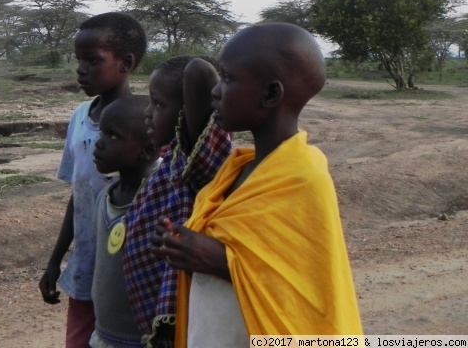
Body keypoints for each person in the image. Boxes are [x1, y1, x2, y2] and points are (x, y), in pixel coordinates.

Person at [154, 23, 363, 346]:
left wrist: (220, 261)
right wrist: (181, 246)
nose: (216, 90)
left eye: (228, 78)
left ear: (270, 94)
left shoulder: (304, 178)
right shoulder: (234, 170)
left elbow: (308, 292)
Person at [39, 12, 147, 348]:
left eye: (92, 60)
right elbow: (79, 194)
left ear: (126, 62)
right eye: (78, 60)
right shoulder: (79, 118)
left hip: (127, 275)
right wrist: (56, 261)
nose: (80, 69)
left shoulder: (145, 123)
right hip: (86, 267)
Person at [123, 56, 232, 347]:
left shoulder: (197, 164)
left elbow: (198, 72)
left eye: (158, 104)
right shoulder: (168, 162)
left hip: (179, 320)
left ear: (188, 113)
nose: (147, 113)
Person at [89, 94, 157, 348]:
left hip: (141, 340)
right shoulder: (103, 198)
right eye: (101, 133)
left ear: (147, 150)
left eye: (112, 136)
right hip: (103, 335)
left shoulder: (155, 204)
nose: (99, 144)